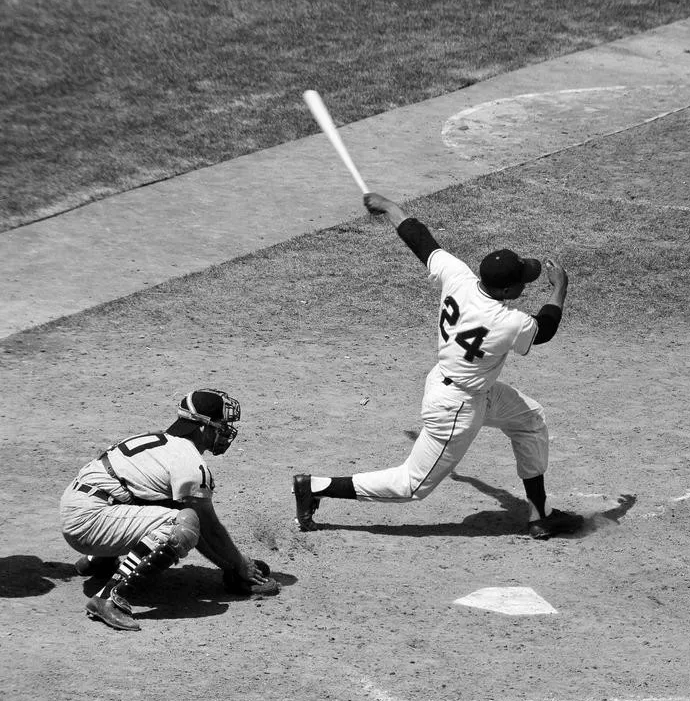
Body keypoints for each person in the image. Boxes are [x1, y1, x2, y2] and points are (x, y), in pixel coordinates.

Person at [293, 192, 572, 539]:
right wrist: (559, 289)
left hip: (460, 385)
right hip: (457, 407)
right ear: (507, 290)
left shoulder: (460, 277)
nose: (526, 284)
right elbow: (543, 330)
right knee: (412, 485)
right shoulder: (507, 321)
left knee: (530, 420)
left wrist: (390, 208)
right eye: (522, 282)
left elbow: (421, 241)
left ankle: (540, 515)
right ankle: (315, 487)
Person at [60, 389, 278, 631]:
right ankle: (109, 598)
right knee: (182, 524)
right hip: (90, 521)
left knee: (167, 505)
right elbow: (207, 526)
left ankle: (98, 561)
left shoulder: (159, 443)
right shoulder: (189, 461)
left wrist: (230, 565)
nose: (226, 432)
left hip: (80, 508)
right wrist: (240, 563)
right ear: (203, 427)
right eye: (221, 426)